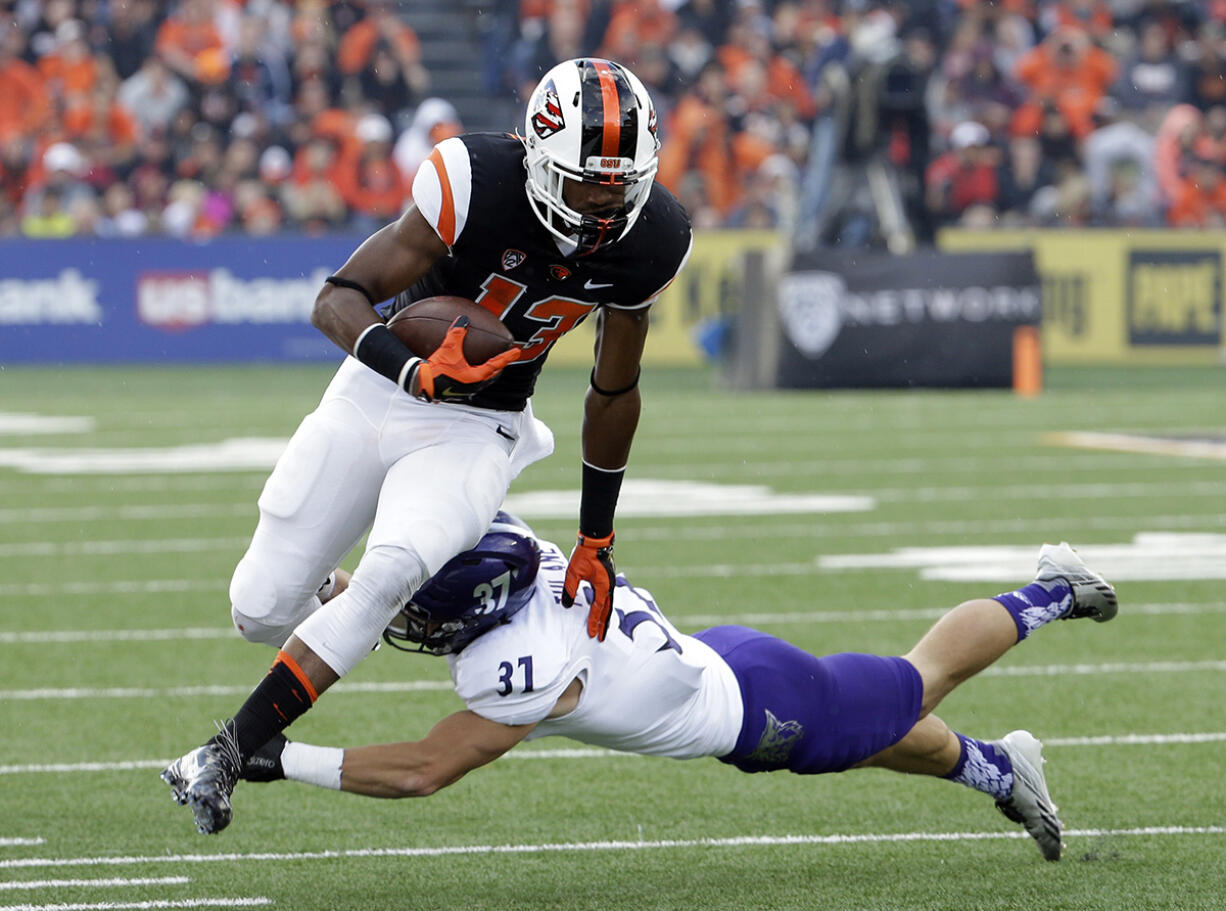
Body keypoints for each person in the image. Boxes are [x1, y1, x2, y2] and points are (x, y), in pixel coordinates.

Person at [160, 58, 693, 836]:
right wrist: (408, 366)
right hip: (378, 389)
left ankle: (226, 752)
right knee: (260, 607)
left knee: (395, 566)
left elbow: (613, 391)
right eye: (588, 182)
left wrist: (597, 536)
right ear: (542, 159)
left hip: (482, 425)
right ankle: (348, 606)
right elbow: (336, 297)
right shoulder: (473, 178)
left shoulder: (654, 238)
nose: (607, 201)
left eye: (621, 182)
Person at [170, 513, 1118, 862]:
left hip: (752, 704)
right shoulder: (519, 555)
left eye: (422, 615)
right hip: (720, 663)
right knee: (868, 721)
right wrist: (336, 590)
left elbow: (423, 769)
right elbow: (428, 582)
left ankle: (1055, 589)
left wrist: (279, 756)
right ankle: (1000, 769)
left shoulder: (521, 668)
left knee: (913, 684)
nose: (410, 626)